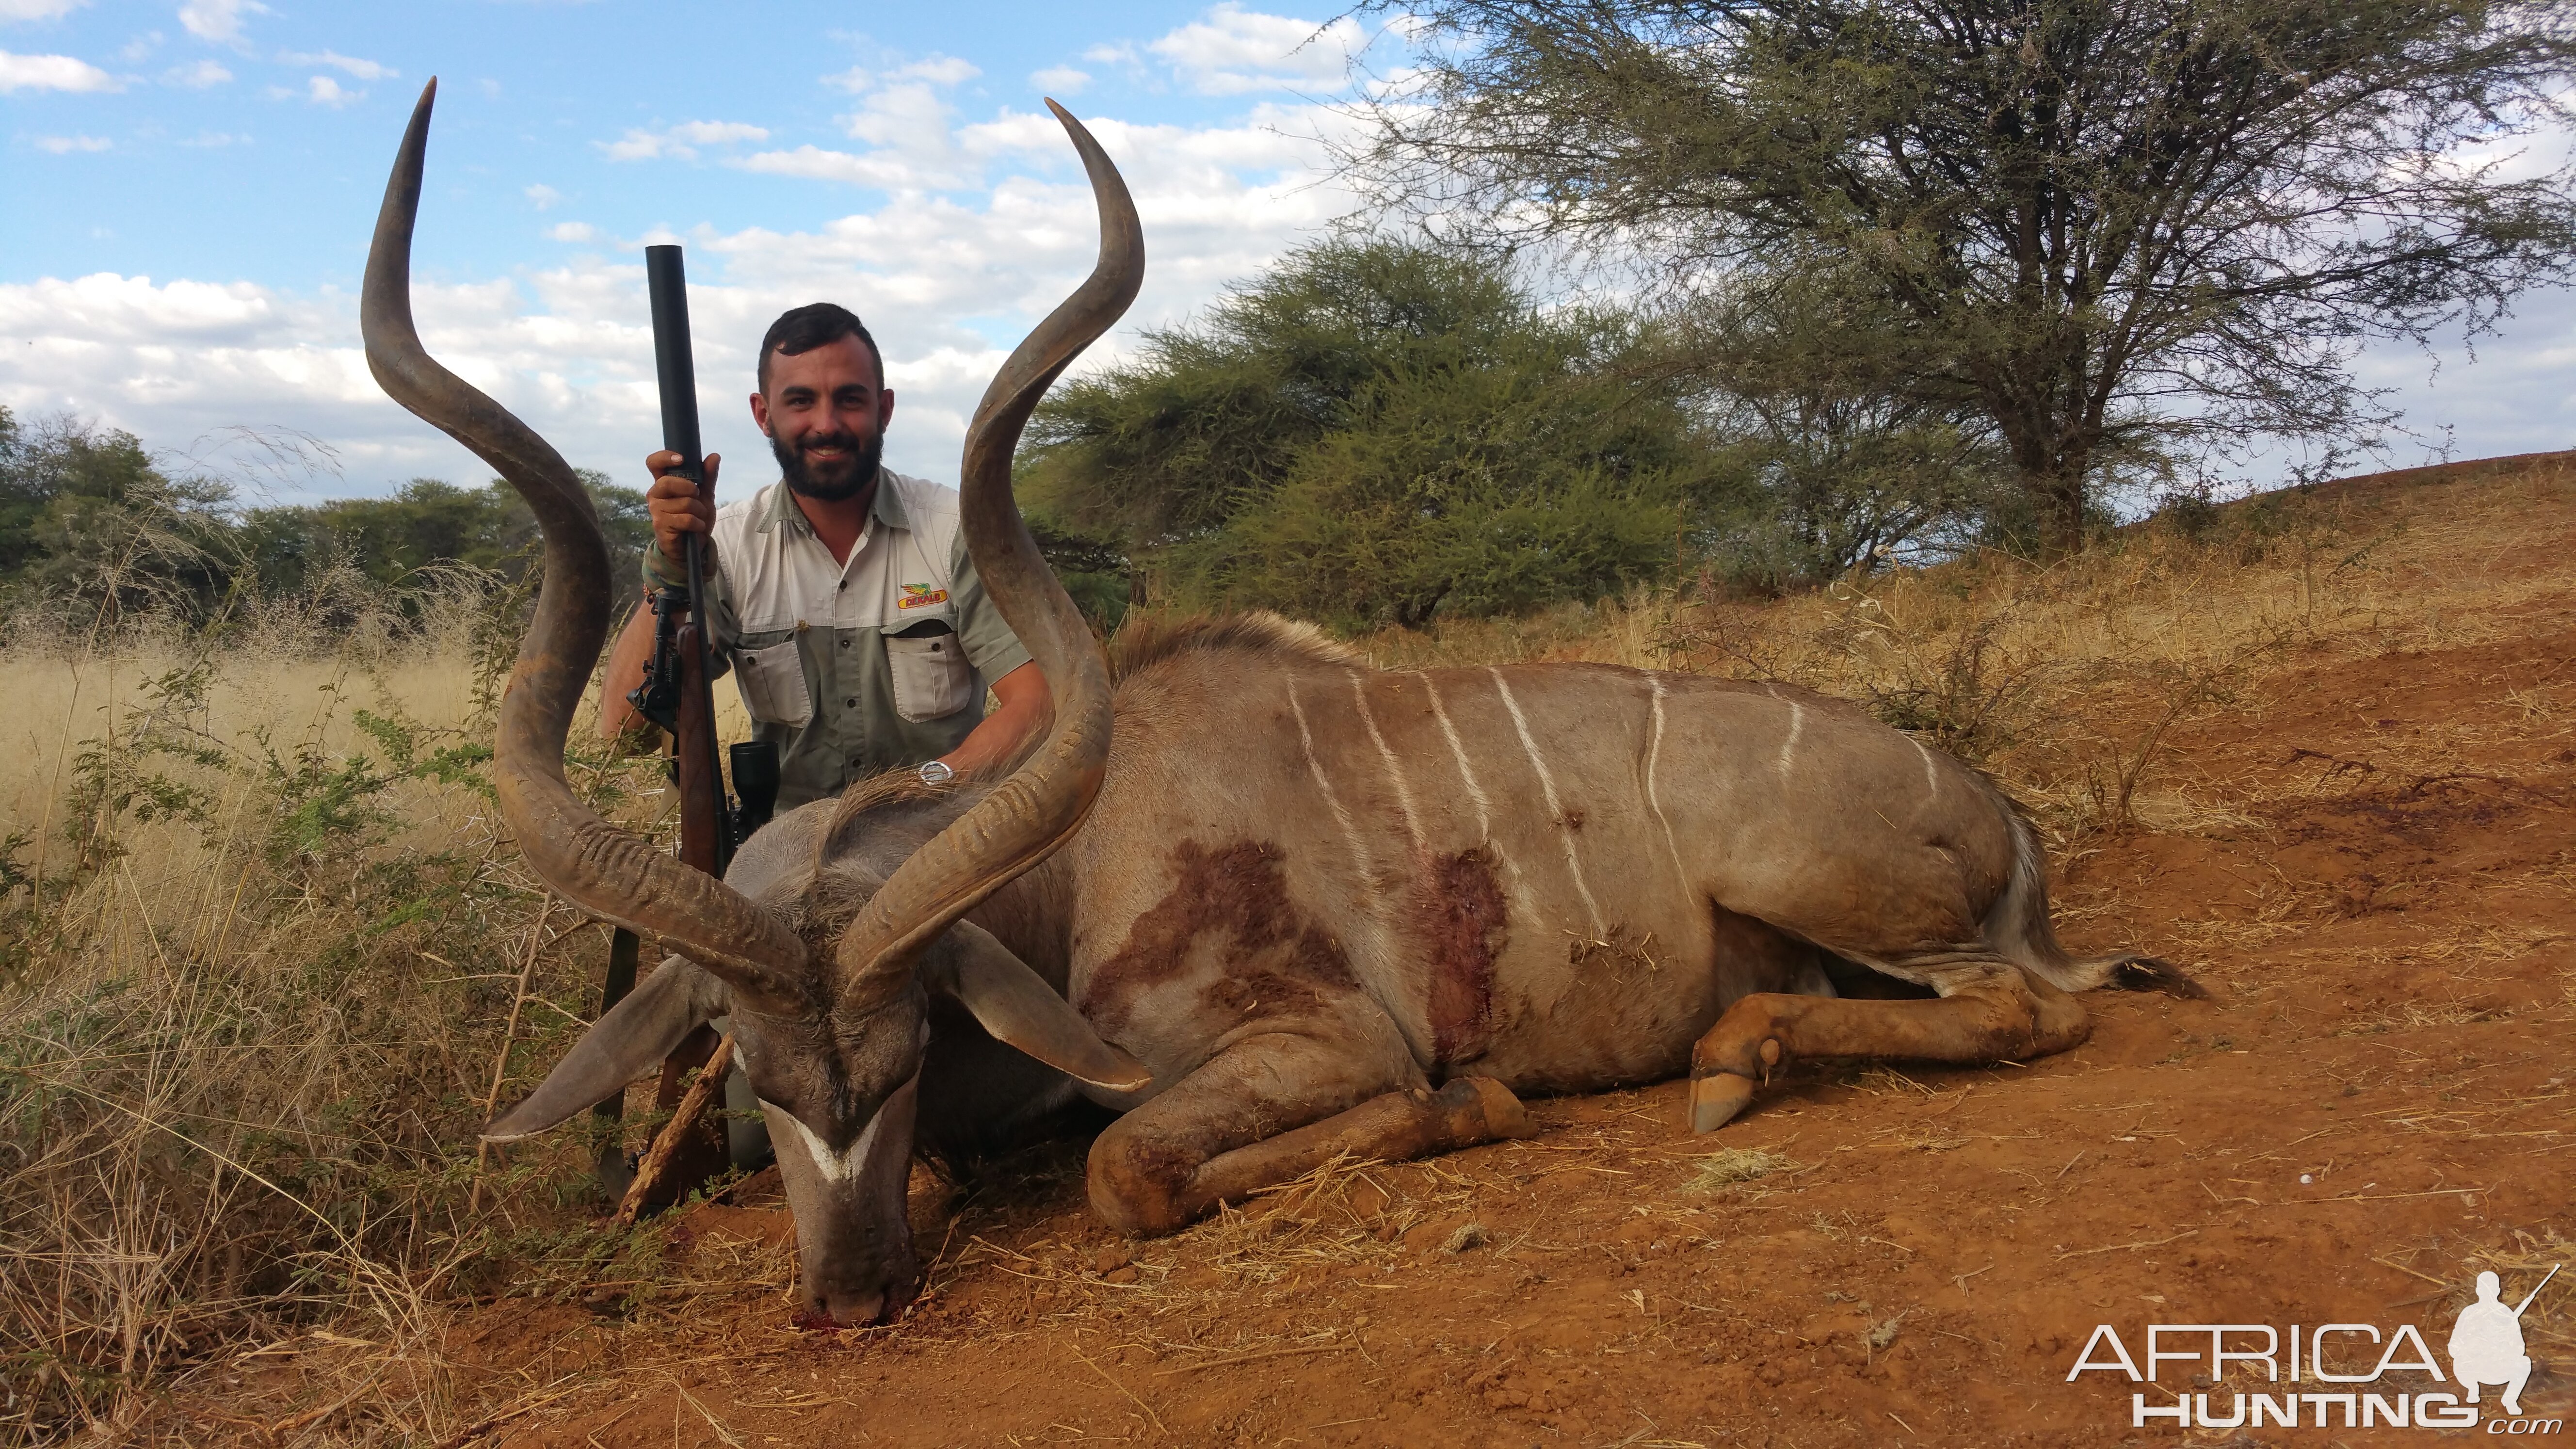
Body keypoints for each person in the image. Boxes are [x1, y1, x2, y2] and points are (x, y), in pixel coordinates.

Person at [599, 301, 1049, 808]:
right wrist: (673, 572)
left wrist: (919, 791)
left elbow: (1037, 703)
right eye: (800, 401)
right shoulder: (723, 546)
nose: (826, 423)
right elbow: (623, 733)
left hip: (938, 840)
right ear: (763, 415)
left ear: (884, 409)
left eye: (849, 400)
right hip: (785, 864)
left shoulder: (956, 531)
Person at [2448, 1269, 2536, 1417]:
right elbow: (2454, 1345)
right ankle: (2473, 1388)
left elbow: (2519, 1347)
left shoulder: (2505, 1313)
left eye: (2491, 1288)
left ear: (2498, 1291)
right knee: (2460, 1361)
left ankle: (2510, 1400)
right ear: (2478, 1290)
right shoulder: (2469, 1313)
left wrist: (2502, 1349)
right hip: (2474, 1367)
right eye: (2484, 1289)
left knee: (2524, 1363)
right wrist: (2471, 1349)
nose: (2487, 1293)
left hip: (2499, 1368)